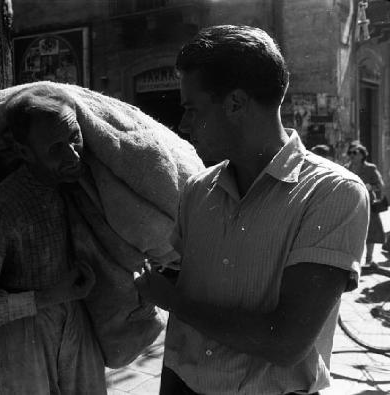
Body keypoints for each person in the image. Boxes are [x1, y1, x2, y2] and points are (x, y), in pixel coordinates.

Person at [134, 25, 369, 395]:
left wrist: (170, 300)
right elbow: (185, 308)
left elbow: (286, 343)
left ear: (236, 104)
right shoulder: (197, 190)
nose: (184, 124)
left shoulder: (332, 193)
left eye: (192, 109)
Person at [0, 88, 107, 394]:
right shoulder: (1, 210)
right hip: (25, 336)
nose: (73, 154)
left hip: (78, 325)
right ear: (24, 152)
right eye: (55, 148)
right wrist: (46, 297)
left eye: (74, 137)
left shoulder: (84, 188)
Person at [345, 142, 384, 265]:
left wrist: (370, 187)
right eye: (350, 152)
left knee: (371, 230)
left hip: (368, 203)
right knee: (352, 231)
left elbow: (380, 185)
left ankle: (369, 258)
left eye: (355, 153)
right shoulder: (345, 168)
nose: (352, 155)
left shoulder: (370, 168)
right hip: (351, 204)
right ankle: (353, 259)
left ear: (362, 155)